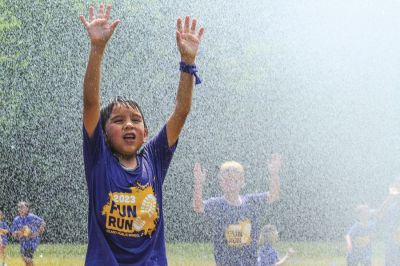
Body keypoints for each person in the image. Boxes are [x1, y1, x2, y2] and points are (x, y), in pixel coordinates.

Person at [79, 3, 204, 265]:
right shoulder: (98, 157)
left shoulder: (155, 159)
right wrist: (97, 49)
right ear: (102, 133)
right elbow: (91, 103)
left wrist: (188, 64)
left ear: (145, 133)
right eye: (118, 120)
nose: (128, 125)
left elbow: (180, 112)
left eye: (136, 120)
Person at [193, 153, 282, 265]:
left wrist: (274, 174)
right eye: (227, 180)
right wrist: (198, 183)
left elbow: (274, 195)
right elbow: (198, 207)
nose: (231, 183)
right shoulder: (217, 205)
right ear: (221, 183)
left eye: (235, 180)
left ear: (242, 182)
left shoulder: (251, 203)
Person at [11, 201, 45, 266]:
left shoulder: (31, 217)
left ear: (27, 208)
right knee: (26, 261)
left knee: (27, 258)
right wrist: (20, 232)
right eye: (19, 207)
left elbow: (42, 223)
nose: (20, 209)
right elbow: (13, 233)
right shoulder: (16, 220)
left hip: (32, 241)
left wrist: (38, 232)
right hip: (23, 242)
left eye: (22, 207)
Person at [375, 179, 400, 266]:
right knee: (390, 262)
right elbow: (379, 215)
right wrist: (390, 197)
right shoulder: (392, 207)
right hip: (392, 240)